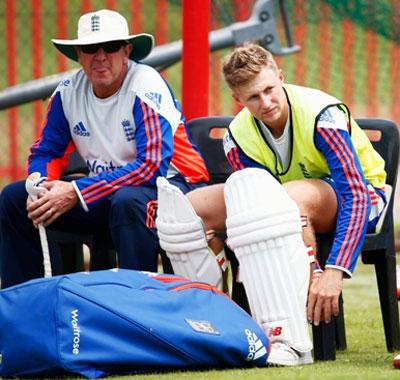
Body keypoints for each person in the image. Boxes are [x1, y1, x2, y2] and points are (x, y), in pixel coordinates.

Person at [155, 43, 386, 366]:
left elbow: (357, 195)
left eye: (269, 89)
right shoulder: (236, 137)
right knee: (184, 210)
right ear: (238, 100)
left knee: (286, 201)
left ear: (280, 76)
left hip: (366, 196)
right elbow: (253, 199)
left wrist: (333, 272)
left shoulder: (323, 114)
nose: (265, 102)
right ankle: (214, 323)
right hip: (285, 204)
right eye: (253, 97)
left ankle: (292, 340)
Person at [0, 9, 209, 288]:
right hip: (111, 193)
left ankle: (139, 306)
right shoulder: (67, 92)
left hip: (176, 188)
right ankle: (32, 305)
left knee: (128, 202)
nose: (100, 56)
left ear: (127, 51)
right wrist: (42, 186)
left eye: (110, 47)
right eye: (90, 48)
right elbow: (45, 152)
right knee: (14, 200)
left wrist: (76, 191)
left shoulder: (145, 85)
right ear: (79, 55)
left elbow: (152, 166)